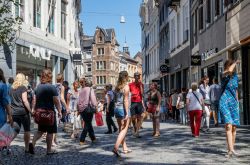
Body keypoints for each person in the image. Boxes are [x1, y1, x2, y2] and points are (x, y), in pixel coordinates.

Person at [30, 69, 62, 155]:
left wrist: (33, 109)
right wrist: (59, 111)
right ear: (49, 76)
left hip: (40, 113)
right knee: (50, 132)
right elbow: (56, 101)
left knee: (40, 131)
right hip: (49, 113)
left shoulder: (38, 87)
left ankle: (32, 144)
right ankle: (49, 150)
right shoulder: (52, 87)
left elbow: (34, 100)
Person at [219, 59, 240, 158]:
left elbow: (236, 90)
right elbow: (230, 70)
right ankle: (232, 149)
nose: (234, 68)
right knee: (228, 126)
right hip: (224, 101)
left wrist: (237, 101)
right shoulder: (223, 75)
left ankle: (229, 150)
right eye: (231, 66)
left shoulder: (235, 77)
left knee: (234, 127)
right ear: (227, 66)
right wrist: (235, 62)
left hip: (233, 102)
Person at [10, 73, 32, 153]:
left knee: (16, 129)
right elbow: (25, 101)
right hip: (23, 112)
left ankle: (7, 143)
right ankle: (26, 148)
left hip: (14, 112)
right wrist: (30, 111)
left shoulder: (11, 88)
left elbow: (10, 101)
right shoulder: (23, 88)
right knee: (27, 130)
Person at [112, 71, 131, 157]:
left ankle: (124, 147)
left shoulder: (116, 87)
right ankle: (116, 147)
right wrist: (127, 113)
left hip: (116, 109)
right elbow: (125, 100)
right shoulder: (126, 87)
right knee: (124, 129)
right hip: (123, 109)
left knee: (121, 128)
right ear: (126, 77)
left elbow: (115, 100)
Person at [77, 79, 97, 145]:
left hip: (81, 108)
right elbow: (93, 99)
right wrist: (95, 106)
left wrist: (78, 109)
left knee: (88, 123)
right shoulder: (90, 89)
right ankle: (82, 140)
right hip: (88, 108)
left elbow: (78, 100)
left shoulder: (81, 90)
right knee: (87, 124)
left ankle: (93, 138)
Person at [129, 72, 145, 138]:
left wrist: (140, 85)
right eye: (136, 76)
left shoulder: (141, 84)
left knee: (139, 117)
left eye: (138, 76)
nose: (137, 77)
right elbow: (128, 93)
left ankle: (137, 131)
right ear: (134, 76)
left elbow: (142, 94)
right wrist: (131, 94)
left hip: (139, 102)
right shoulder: (130, 84)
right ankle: (135, 128)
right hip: (132, 102)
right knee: (133, 118)